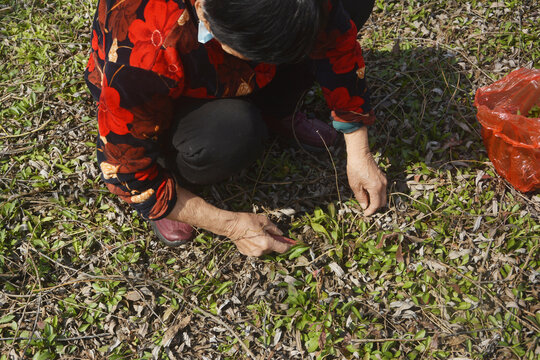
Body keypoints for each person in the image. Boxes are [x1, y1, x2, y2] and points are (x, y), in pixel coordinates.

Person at [85, 0, 388, 257]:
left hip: (224, 56)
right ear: (204, 12)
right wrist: (229, 224)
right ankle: (171, 173)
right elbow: (126, 171)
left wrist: (358, 148)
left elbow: (337, 42)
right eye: (255, 55)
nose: (268, 66)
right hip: (167, 94)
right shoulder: (144, 52)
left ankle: (277, 108)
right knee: (234, 131)